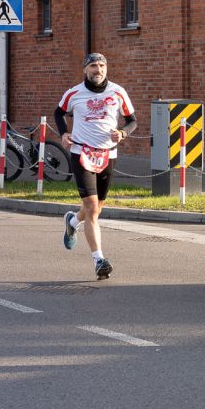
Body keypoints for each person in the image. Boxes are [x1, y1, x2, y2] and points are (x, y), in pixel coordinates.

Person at [56, 53, 137, 280]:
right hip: (81, 153)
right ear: (85, 69)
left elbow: (132, 120)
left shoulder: (118, 92)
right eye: (93, 66)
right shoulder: (74, 93)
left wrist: (123, 133)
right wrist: (64, 133)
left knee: (96, 208)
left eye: (102, 65)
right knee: (92, 207)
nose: (98, 70)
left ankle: (73, 221)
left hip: (107, 154)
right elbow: (59, 112)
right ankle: (99, 260)